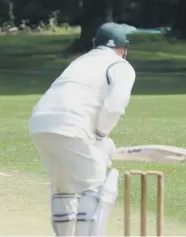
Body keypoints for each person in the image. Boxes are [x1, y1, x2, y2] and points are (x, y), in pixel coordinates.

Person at [28, 22, 137, 236]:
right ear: (124, 49)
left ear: (96, 44)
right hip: (71, 125)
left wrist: (97, 138)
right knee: (95, 189)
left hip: (40, 122)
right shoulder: (120, 65)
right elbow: (115, 105)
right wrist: (100, 136)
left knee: (64, 189)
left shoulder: (82, 60)